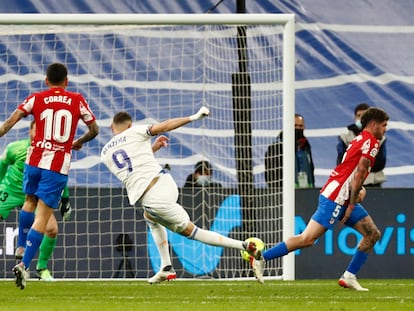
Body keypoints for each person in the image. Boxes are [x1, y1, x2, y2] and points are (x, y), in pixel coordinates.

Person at [100, 107, 263, 284]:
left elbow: (129, 163)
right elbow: (164, 127)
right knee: (150, 218)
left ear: (111, 127)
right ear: (130, 125)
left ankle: (246, 247)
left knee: (192, 232)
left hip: (154, 197)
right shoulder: (135, 132)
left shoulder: (105, 153)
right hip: (163, 183)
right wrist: (191, 118)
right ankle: (166, 267)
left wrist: (194, 117)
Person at [250, 107, 389, 290]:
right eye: (384, 125)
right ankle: (261, 258)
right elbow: (359, 173)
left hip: (343, 195)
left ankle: (349, 276)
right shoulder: (371, 143)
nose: (385, 129)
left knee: (372, 234)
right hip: (337, 197)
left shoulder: (359, 139)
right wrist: (352, 202)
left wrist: (357, 192)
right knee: (307, 238)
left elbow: (349, 170)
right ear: (374, 124)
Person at [0, 62, 99, 289]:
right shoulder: (77, 99)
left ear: (46, 81)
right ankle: (24, 266)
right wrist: (78, 142)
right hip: (56, 165)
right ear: (67, 81)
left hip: (34, 160)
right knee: (43, 218)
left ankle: (21, 246)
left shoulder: (36, 98)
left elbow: (9, 122)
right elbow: (95, 129)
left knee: (28, 201)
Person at [0, 120, 72, 281]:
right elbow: (2, 165)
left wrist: (65, 199)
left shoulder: (51, 154)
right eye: (36, 131)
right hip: (11, 190)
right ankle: (21, 246)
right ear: (30, 132)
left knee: (52, 229)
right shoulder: (15, 148)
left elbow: (60, 177)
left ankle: (41, 268)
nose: (39, 134)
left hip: (38, 194)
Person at [337, 103, 387, 187]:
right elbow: (342, 162)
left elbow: (380, 163)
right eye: (358, 115)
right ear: (354, 117)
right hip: (351, 183)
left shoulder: (380, 138)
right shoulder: (345, 137)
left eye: (363, 115)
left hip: (373, 183)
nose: (360, 119)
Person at [265, 113, 315, 188]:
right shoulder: (276, 147)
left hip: (306, 190)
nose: (298, 128)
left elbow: (311, 168)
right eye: (295, 125)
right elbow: (271, 173)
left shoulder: (306, 146)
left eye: (300, 126)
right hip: (285, 192)